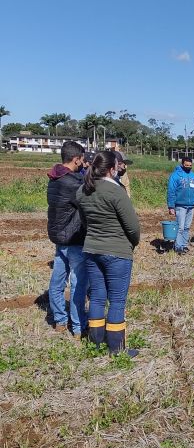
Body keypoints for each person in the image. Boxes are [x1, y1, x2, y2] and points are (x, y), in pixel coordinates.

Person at [76, 151, 140, 356]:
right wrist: (133, 243)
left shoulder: (82, 191)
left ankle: (95, 343)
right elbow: (132, 227)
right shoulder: (116, 191)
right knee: (117, 301)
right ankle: (117, 349)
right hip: (117, 252)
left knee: (96, 297)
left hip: (92, 249)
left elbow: (84, 222)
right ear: (112, 169)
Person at [47, 141, 88, 339]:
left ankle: (60, 321)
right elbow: (89, 195)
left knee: (57, 282)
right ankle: (79, 327)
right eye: (82, 159)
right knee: (78, 284)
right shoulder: (73, 183)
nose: (83, 162)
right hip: (74, 238)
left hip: (59, 238)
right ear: (76, 159)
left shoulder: (55, 177)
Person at [167, 157, 194, 254]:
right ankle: (178, 246)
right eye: (186, 165)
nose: (188, 167)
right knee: (180, 227)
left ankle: (184, 245)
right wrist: (171, 206)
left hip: (191, 206)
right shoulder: (175, 176)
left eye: (190, 166)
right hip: (180, 206)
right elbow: (171, 191)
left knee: (187, 227)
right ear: (182, 164)